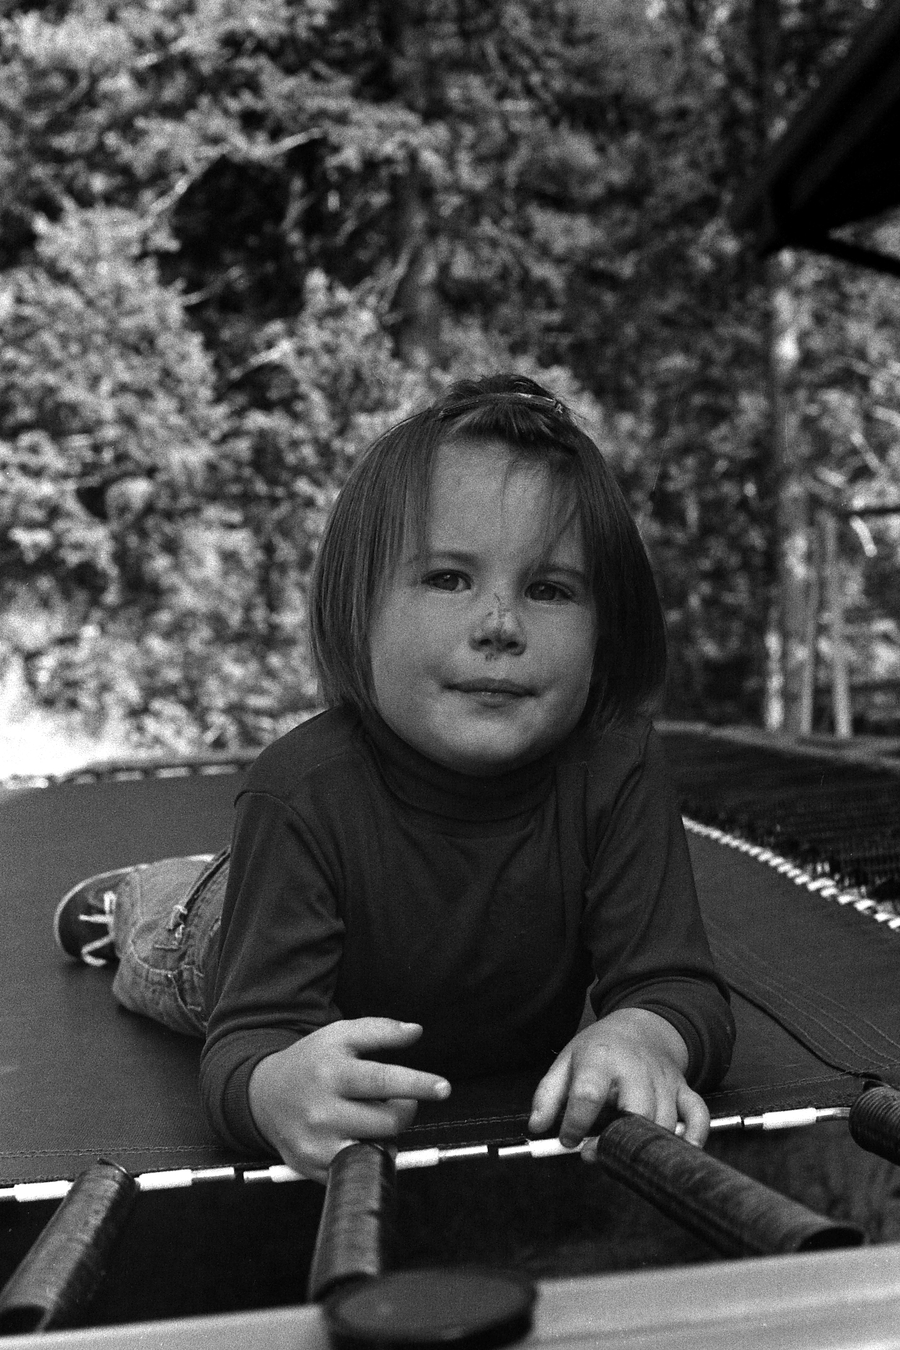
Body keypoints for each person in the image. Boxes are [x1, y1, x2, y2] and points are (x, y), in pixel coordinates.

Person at [55, 373, 735, 1184]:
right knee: (174, 939)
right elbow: (246, 1042)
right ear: (358, 605)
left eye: (549, 589)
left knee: (243, 893)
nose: (500, 625)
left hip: (325, 911)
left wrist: (647, 1035)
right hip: (217, 951)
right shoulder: (301, 791)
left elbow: (677, 985)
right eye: (449, 578)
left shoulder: (617, 767)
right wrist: (274, 1088)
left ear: (605, 628)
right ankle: (138, 895)